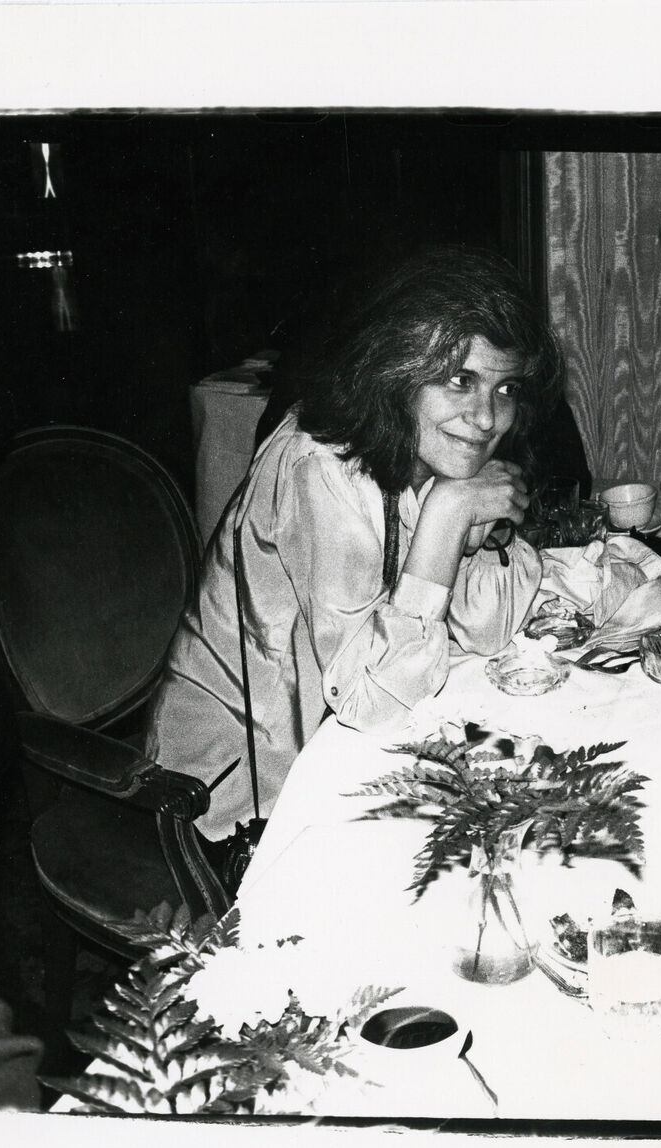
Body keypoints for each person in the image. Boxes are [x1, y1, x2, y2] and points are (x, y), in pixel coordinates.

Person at [147, 246, 562, 846]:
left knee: (544, 788)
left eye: (506, 389)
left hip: (344, 746)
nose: (486, 418)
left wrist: (485, 530)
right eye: (459, 379)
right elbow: (372, 704)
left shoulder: (430, 449)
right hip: (237, 790)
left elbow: (486, 631)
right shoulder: (319, 465)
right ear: (396, 368)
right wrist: (448, 517)